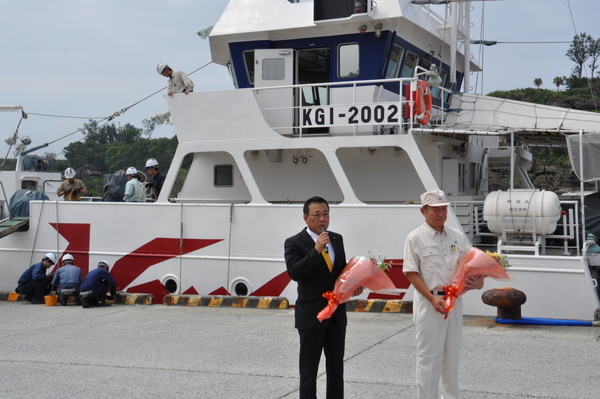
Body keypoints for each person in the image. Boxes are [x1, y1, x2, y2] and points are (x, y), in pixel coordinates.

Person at [403, 190, 484, 399]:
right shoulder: (415, 238)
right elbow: (411, 272)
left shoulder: (457, 236)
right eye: (435, 210)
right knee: (429, 358)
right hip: (430, 303)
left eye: (444, 209)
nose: (441, 214)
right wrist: (432, 299)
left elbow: (470, 266)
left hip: (454, 302)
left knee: (452, 357)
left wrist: (479, 281)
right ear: (423, 211)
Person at [284, 196, 362, 399]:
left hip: (336, 315)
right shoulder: (294, 243)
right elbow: (295, 273)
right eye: (316, 215)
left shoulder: (337, 239)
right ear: (305, 218)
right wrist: (316, 250)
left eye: (325, 214)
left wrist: (354, 285)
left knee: (336, 367)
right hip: (312, 316)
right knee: (309, 370)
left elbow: (340, 273)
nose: (322, 219)